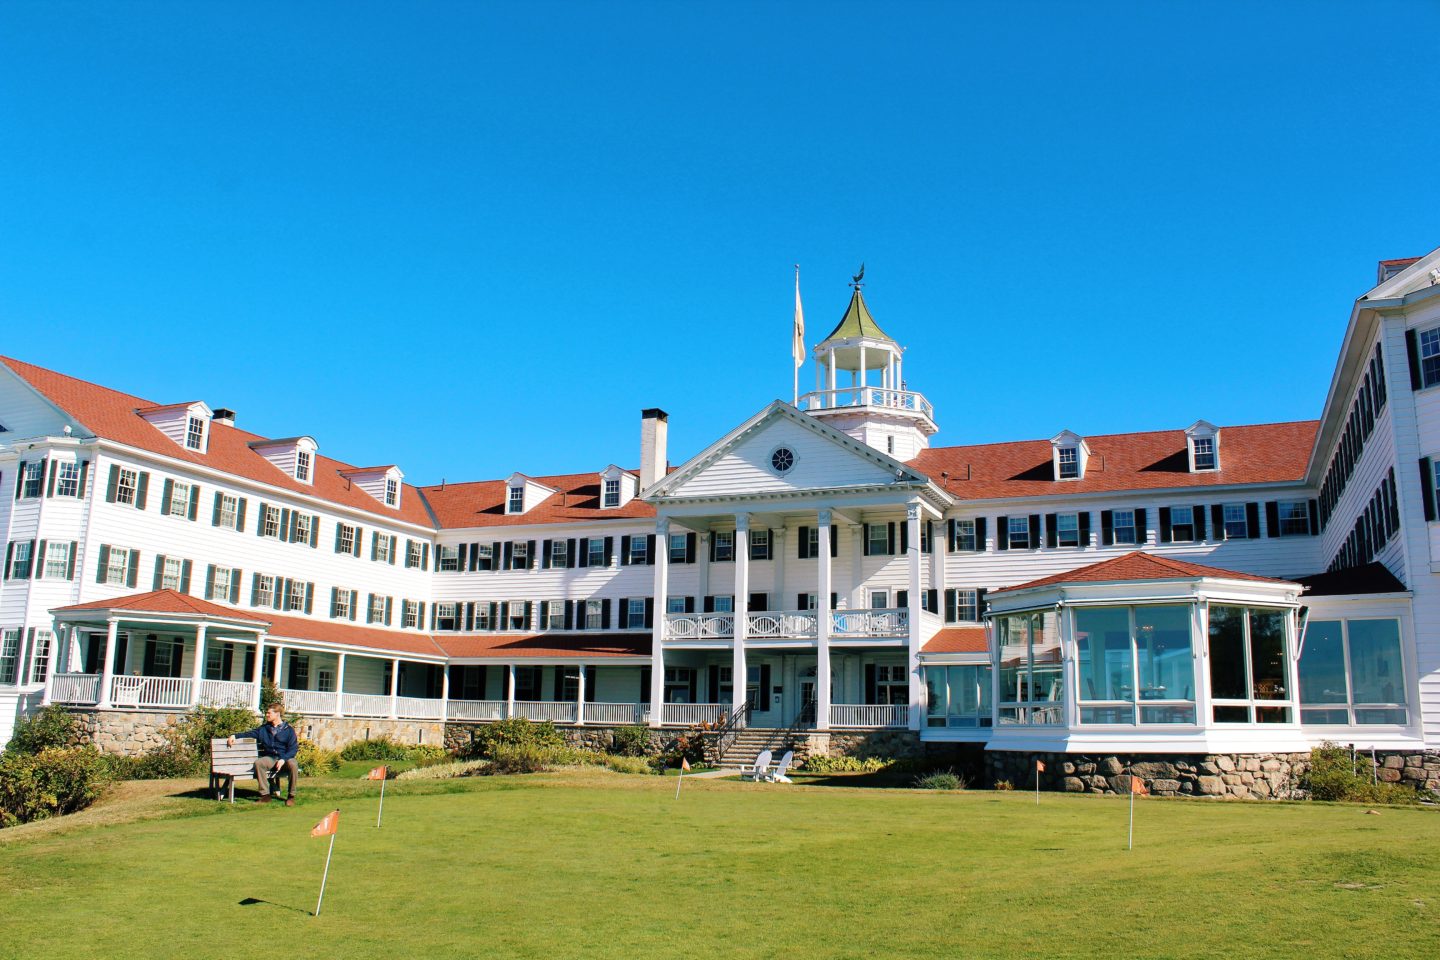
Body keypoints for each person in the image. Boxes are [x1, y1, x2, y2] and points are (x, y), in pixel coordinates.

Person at [229, 705, 299, 806]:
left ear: (277, 714)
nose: (266, 715)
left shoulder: (289, 730)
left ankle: (291, 796)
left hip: (285, 760)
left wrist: (283, 759)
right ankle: (265, 795)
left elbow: (293, 749)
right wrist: (234, 736)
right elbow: (249, 733)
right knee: (259, 762)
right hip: (271, 759)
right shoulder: (264, 729)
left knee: (293, 764)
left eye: (269, 713)